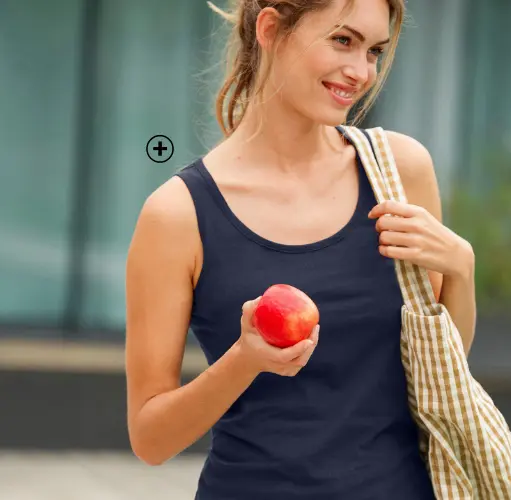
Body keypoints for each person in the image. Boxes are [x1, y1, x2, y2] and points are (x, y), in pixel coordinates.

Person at [125, 0, 477, 498]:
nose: (361, 72)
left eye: (374, 50)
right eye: (342, 40)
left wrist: (461, 269)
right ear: (270, 29)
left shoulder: (400, 173)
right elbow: (150, 438)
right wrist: (244, 359)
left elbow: (441, 369)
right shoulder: (178, 215)